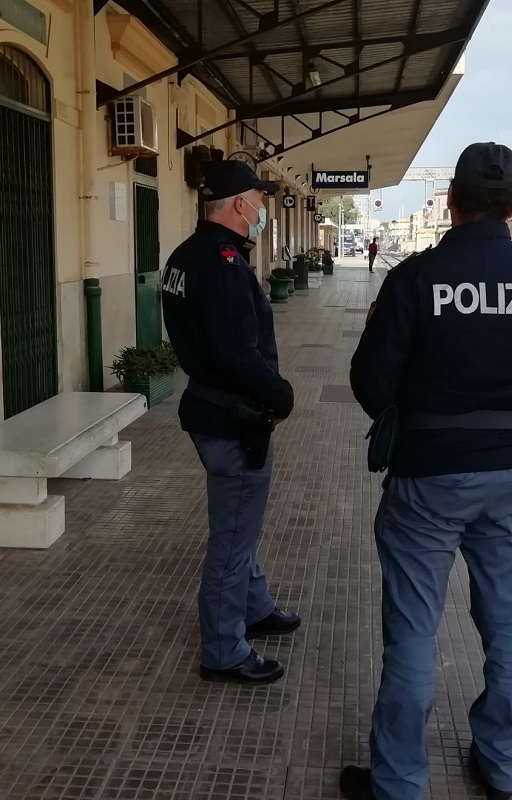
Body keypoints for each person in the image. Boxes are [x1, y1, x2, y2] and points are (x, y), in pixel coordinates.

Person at [341, 143, 512, 800]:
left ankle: (398, 782)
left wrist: (414, 414)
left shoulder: (414, 278)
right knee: (506, 620)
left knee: (412, 628)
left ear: (453, 203)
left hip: (427, 475)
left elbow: (369, 380)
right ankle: (499, 764)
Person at [162, 159, 300, 686]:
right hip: (232, 417)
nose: (263, 208)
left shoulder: (184, 255)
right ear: (241, 204)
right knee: (232, 537)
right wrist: (281, 396)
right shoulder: (222, 264)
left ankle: (256, 605)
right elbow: (236, 354)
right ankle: (223, 649)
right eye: (260, 201)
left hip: (207, 409)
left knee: (239, 522)